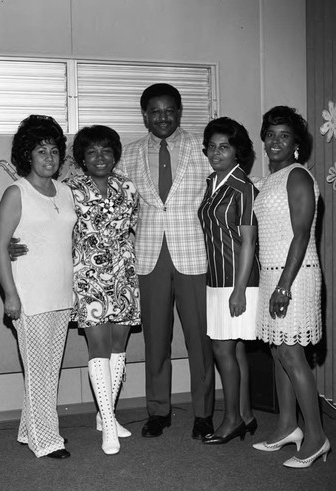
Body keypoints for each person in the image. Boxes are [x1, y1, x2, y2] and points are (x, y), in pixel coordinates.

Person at [117, 83, 215, 439]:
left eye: (169, 110)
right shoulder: (128, 154)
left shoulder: (203, 149)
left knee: (199, 341)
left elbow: (231, 187)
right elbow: (112, 200)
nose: (163, 117)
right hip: (148, 256)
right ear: (144, 115)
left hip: (193, 255)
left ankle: (203, 413)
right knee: (155, 340)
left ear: (179, 112)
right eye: (155, 111)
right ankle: (158, 410)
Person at [0, 115, 76, 459]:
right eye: (41, 151)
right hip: (29, 296)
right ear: (28, 155)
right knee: (38, 370)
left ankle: (32, 431)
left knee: (46, 369)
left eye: (54, 151)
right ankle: (46, 439)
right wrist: (10, 295)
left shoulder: (67, 192)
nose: (49, 157)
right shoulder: (16, 192)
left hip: (61, 294)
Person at [252, 106, 330, 468]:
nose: (275, 141)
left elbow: (301, 235)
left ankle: (316, 437)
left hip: (294, 277)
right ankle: (287, 427)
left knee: (291, 354)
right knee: (278, 352)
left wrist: (283, 287)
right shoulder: (270, 179)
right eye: (270, 134)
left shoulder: (298, 176)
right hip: (274, 274)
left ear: (297, 143)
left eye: (284, 135)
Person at [64, 125, 140, 455]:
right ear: (81, 158)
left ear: (115, 155)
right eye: (92, 152)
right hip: (88, 275)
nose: (100, 157)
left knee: (119, 345)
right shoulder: (69, 189)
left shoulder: (127, 187)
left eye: (106, 151)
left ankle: (103, 414)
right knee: (98, 346)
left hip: (123, 272)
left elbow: (136, 228)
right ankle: (108, 425)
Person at [197, 117, 260, 445]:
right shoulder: (212, 183)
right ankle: (246, 415)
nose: (216, 152)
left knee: (223, 349)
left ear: (238, 151)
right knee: (234, 350)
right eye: (211, 146)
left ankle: (232, 418)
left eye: (224, 146)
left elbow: (249, 241)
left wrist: (238, 290)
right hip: (216, 278)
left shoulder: (244, 187)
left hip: (237, 281)